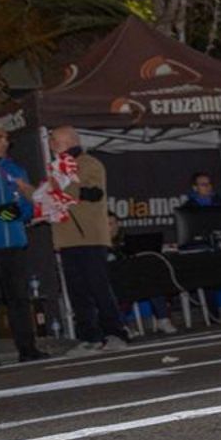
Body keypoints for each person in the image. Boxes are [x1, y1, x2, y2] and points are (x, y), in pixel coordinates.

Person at [48, 126, 129, 353]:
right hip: (67, 238)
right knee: (77, 291)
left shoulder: (88, 163)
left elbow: (93, 193)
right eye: (51, 140)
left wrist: (62, 187)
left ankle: (116, 333)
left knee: (98, 287)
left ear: (69, 140)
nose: (51, 144)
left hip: (90, 237)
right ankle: (90, 336)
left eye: (54, 140)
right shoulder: (56, 168)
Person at [0, 121, 47, 366]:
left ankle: (28, 349)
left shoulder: (15, 169)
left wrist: (15, 212)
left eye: (6, 138)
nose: (5, 142)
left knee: (19, 297)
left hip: (15, 241)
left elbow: (30, 206)